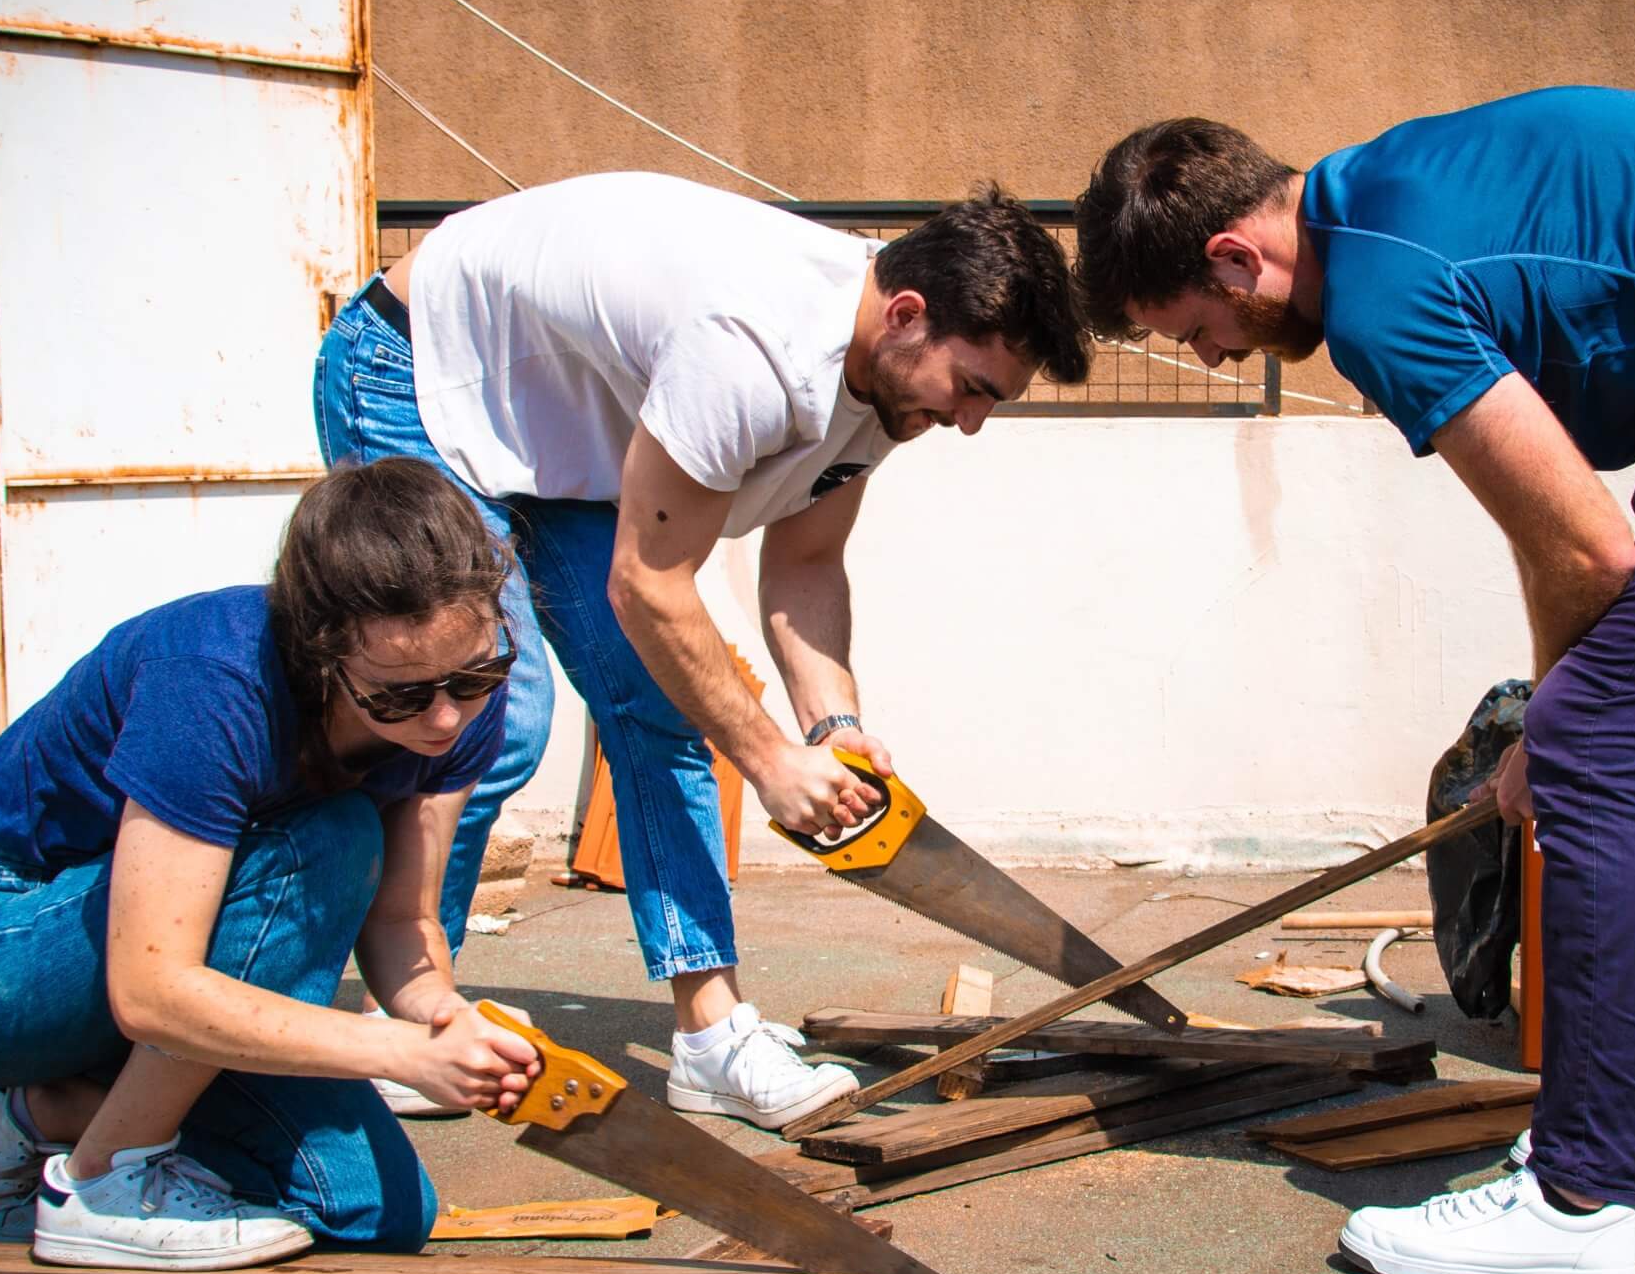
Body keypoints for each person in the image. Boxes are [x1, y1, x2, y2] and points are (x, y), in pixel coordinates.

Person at [1073, 88, 1635, 1274]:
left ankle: (1577, 1201)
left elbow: (1586, 550)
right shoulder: (1379, 197)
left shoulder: (1382, 290)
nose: (1211, 355)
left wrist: (1555, 725)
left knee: (1599, 742)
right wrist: (1567, 713)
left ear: (1234, 256)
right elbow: (1557, 533)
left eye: (1191, 324)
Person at [315, 172, 1088, 1129]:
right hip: (422, 371)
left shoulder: (883, 380)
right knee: (484, 716)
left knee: (661, 706)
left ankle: (710, 1038)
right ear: (906, 315)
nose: (970, 421)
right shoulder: (751, 350)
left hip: (565, 424)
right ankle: (408, 1017)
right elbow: (648, 583)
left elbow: (805, 561)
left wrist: (832, 727)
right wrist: (767, 761)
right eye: (972, 390)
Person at [0, 458, 541, 1269]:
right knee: (329, 837)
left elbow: (403, 918)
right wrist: (401, 1055)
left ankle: (42, 1109)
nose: (445, 717)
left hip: (153, 959)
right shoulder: (214, 679)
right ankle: (100, 1183)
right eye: (398, 695)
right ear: (321, 652)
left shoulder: (458, 681)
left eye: (473, 676)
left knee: (374, 1213)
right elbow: (151, 989)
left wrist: (442, 1015)